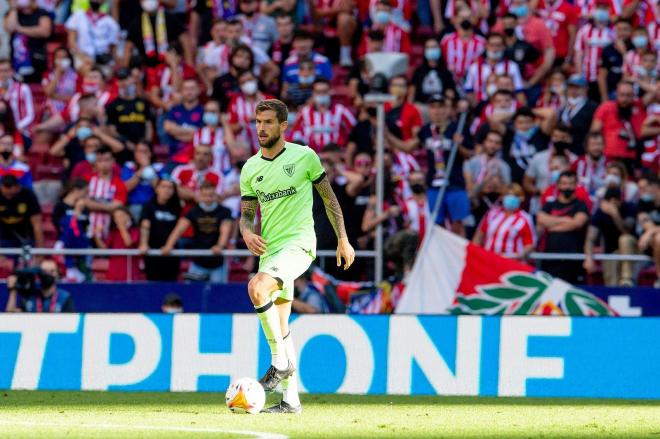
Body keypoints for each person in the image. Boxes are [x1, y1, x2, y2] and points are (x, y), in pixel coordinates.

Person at [239, 99, 355, 412]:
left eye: (267, 122)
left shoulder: (304, 156)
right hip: (270, 250)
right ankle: (291, 401)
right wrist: (247, 233)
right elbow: (247, 214)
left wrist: (343, 239)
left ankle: (279, 363)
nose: (261, 128)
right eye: (258, 122)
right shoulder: (250, 168)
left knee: (256, 287)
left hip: (299, 245)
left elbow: (330, 200)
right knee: (280, 323)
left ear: (282, 125)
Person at [162, 181, 233, 283]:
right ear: (200, 195)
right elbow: (179, 229)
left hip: (218, 261)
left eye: (211, 195)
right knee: (192, 293)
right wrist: (169, 245)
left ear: (215, 195)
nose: (208, 198)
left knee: (220, 295)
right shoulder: (193, 211)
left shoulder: (225, 211)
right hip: (198, 261)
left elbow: (225, 229)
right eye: (205, 195)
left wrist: (220, 246)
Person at [537, 171, 590, 284]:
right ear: (558, 185)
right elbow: (541, 219)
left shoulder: (581, 205)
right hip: (550, 258)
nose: (568, 187)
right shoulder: (549, 205)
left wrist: (552, 225)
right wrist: (565, 220)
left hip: (573, 259)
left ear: (576, 185)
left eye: (571, 184)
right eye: (564, 183)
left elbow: (577, 223)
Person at [584, 187, 637, 286]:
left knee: (624, 239)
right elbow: (590, 238)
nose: (613, 205)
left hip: (632, 250)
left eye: (616, 202)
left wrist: (615, 214)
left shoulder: (630, 207)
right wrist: (589, 258)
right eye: (610, 202)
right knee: (611, 283)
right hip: (611, 252)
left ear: (621, 200)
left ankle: (626, 278)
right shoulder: (600, 213)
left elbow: (626, 231)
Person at [289, 78, 357, 153]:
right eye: (318, 92)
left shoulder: (341, 111)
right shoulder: (304, 113)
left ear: (330, 92)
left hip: (335, 155)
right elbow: (294, 134)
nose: (321, 95)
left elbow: (355, 130)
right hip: (311, 156)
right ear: (313, 93)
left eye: (324, 92)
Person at [591, 81, 647, 170]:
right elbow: (594, 132)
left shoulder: (638, 106)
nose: (625, 99)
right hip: (609, 156)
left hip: (632, 157)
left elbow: (655, 92)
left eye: (628, 95)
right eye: (622, 95)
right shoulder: (606, 107)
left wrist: (635, 80)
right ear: (616, 94)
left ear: (633, 96)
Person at [472, 183, 535, 258]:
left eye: (514, 195)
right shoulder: (492, 214)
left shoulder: (524, 218)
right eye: (507, 195)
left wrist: (519, 255)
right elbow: (479, 236)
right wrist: (474, 254)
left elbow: (530, 244)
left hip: (510, 262)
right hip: (489, 260)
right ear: (502, 197)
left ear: (521, 198)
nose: (510, 197)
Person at [139, 178, 182, 281]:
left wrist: (169, 245)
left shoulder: (177, 207)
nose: (167, 190)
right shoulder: (149, 205)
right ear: (157, 189)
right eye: (163, 186)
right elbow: (145, 225)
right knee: (153, 285)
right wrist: (143, 243)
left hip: (171, 253)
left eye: (170, 187)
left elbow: (179, 229)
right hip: (152, 252)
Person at [2, 0, 53, 83]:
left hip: (36, 57)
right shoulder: (12, 13)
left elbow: (45, 31)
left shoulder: (41, 13)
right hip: (16, 58)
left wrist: (20, 29)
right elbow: (10, 27)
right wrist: (13, 8)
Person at [5, 259, 74, 313]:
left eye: (52, 271)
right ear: (39, 274)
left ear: (58, 275)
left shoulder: (64, 298)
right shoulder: (30, 297)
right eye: (44, 271)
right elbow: (11, 319)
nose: (47, 275)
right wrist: (13, 291)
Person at [0, 174, 43, 249]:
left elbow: (37, 224)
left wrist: (40, 250)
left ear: (17, 187)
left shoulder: (28, 195)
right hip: (3, 238)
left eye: (10, 194)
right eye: (5, 195)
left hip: (25, 237)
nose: (8, 197)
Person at [409, 38, 457, 105]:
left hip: (440, 106)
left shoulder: (446, 72)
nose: (431, 50)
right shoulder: (418, 71)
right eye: (428, 48)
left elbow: (450, 93)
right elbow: (412, 92)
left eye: (434, 47)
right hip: (422, 106)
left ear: (439, 50)